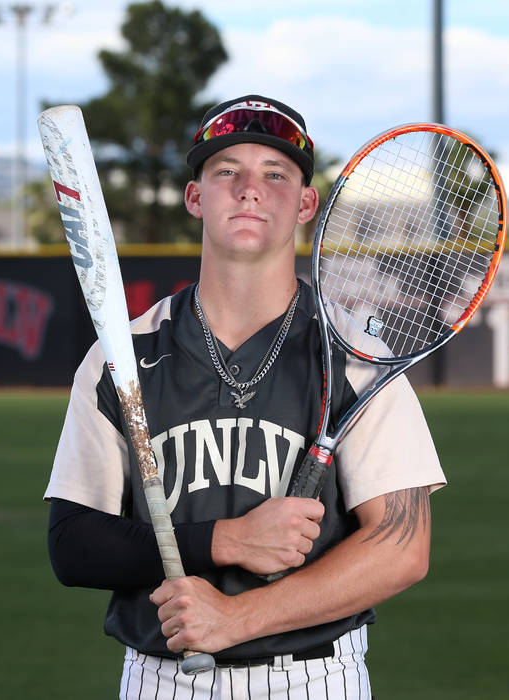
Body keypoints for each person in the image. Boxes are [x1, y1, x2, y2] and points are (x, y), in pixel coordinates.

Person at [45, 95, 445, 699]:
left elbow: (403, 547)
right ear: (196, 198)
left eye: (276, 174)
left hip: (312, 679)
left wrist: (239, 618)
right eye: (226, 171)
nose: (250, 189)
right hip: (163, 679)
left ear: (306, 203)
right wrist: (227, 540)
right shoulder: (120, 357)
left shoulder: (356, 359)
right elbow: (74, 544)